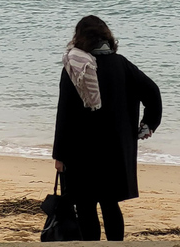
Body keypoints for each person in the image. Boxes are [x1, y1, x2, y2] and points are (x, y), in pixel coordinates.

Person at [52, 15, 162, 241]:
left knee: (85, 206)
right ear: (106, 37)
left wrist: (59, 155)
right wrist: (148, 124)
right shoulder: (121, 64)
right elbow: (152, 92)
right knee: (110, 205)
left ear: (79, 38)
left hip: (80, 151)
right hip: (114, 150)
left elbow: (64, 114)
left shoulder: (75, 68)